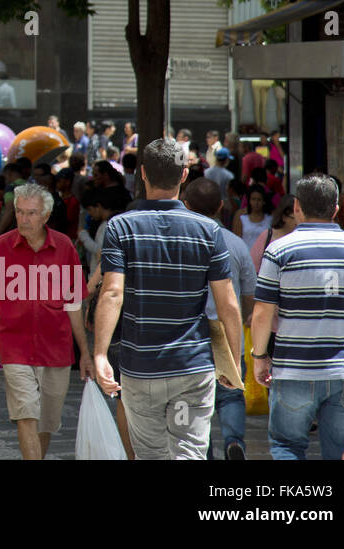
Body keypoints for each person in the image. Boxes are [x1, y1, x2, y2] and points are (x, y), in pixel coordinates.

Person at [93, 138, 243, 460]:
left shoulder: (121, 227)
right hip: (193, 367)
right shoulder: (209, 230)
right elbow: (228, 304)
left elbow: (112, 292)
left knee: (151, 455)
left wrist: (100, 353)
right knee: (189, 452)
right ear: (184, 174)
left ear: (143, 173)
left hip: (141, 367)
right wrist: (234, 361)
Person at [251, 173, 344, 460]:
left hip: (293, 370)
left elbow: (262, 312)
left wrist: (259, 356)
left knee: (287, 447)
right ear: (335, 209)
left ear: (296, 207)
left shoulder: (278, 251)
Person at [0, 183, 92, 459]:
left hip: (56, 348)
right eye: (19, 212)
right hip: (14, 346)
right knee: (25, 414)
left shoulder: (64, 247)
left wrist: (86, 354)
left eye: (31, 213)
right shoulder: (0, 248)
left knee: (47, 422)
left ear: (45, 216)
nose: (24, 219)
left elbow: (74, 304)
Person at [181, 177, 257, 461]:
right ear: (221, 206)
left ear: (186, 206)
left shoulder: (182, 243)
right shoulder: (236, 244)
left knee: (195, 400)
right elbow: (249, 294)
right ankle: (234, 441)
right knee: (231, 394)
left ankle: (204, 452)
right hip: (227, 332)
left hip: (191, 335)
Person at [232, 183, 273, 250]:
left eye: (259, 200)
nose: (256, 203)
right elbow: (237, 240)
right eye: (253, 199)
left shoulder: (270, 219)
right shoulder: (242, 219)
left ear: (263, 202)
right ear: (249, 201)